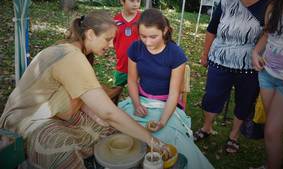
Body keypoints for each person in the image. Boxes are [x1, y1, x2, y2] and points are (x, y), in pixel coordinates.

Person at [0, 10, 170, 169]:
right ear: (90, 34)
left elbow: (86, 102)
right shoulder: (70, 55)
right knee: (59, 147)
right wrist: (152, 140)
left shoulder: (75, 52)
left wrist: (102, 121)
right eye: (107, 39)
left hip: (54, 113)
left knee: (110, 130)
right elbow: (108, 113)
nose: (111, 45)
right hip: (26, 121)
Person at [118, 8, 215, 169]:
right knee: (123, 130)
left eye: (153, 36)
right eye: (143, 36)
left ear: (165, 31)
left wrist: (163, 121)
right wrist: (136, 104)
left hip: (166, 103)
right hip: (140, 98)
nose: (147, 42)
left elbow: (174, 93)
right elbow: (132, 80)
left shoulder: (176, 54)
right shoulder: (135, 48)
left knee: (165, 137)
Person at [194, 0, 271, 154]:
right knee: (212, 96)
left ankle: (233, 136)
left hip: (250, 64)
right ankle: (207, 127)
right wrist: (205, 54)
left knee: (244, 101)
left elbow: (273, 34)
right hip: (219, 58)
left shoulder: (271, 2)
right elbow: (212, 28)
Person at [252, 0, 283, 169]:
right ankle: (272, 163)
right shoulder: (274, 5)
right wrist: (255, 53)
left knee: (272, 131)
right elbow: (267, 34)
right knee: (273, 128)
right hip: (266, 75)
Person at [113, 0, 142, 88]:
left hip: (140, 66)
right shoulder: (115, 20)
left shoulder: (143, 19)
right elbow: (112, 40)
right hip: (122, 65)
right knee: (116, 91)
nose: (136, 4)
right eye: (132, 0)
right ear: (122, 0)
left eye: (138, 1)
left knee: (139, 94)